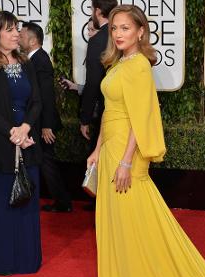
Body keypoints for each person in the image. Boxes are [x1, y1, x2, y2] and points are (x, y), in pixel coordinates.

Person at [87, 5, 205, 277]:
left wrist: (125, 161)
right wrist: (97, 149)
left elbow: (139, 117)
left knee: (138, 222)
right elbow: (109, 112)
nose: (119, 34)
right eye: (115, 28)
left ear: (140, 31)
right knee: (120, 226)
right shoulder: (118, 64)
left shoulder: (139, 66)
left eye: (126, 28)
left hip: (126, 156)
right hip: (110, 150)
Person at [0, 11, 42, 275]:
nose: (16, 34)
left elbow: (37, 102)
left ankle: (25, 260)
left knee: (27, 200)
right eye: (9, 29)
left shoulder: (26, 63)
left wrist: (26, 127)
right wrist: (11, 131)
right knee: (0, 205)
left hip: (28, 141)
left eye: (16, 29)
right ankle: (1, 262)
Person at [19, 22, 72, 212]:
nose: (18, 37)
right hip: (39, 121)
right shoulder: (33, 59)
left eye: (22, 35)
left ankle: (63, 202)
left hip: (43, 123)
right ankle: (61, 201)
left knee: (46, 163)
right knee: (44, 162)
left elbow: (47, 94)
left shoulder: (40, 60)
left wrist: (46, 125)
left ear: (33, 40)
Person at [80, 0, 117, 211]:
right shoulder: (122, 39)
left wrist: (85, 118)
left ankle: (103, 208)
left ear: (97, 11)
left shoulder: (98, 41)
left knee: (102, 161)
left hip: (107, 114)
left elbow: (93, 83)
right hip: (126, 114)